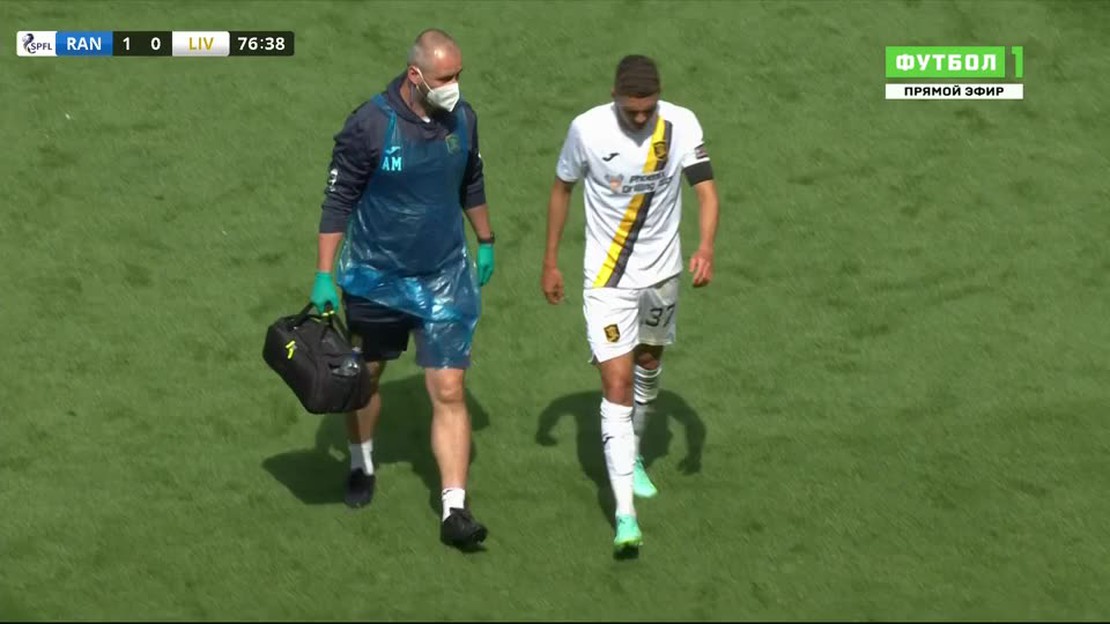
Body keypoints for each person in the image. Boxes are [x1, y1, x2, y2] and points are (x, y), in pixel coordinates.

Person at [309, 28, 496, 551]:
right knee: (365, 378)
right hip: (377, 280)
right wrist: (324, 274)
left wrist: (485, 239)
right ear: (416, 75)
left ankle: (455, 509)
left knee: (450, 389)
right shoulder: (369, 125)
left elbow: (471, 181)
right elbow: (338, 200)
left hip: (444, 276)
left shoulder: (464, 119)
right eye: (445, 77)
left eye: (458, 75)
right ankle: (361, 461)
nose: (454, 86)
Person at [541, 54, 719, 554]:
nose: (640, 118)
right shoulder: (587, 130)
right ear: (614, 96)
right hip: (607, 280)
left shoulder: (680, 124)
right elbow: (562, 189)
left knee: (648, 363)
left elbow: (706, 192)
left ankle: (633, 455)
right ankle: (625, 516)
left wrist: (706, 247)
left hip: (662, 275)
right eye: (631, 109)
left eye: (648, 109)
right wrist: (550, 260)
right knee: (616, 385)